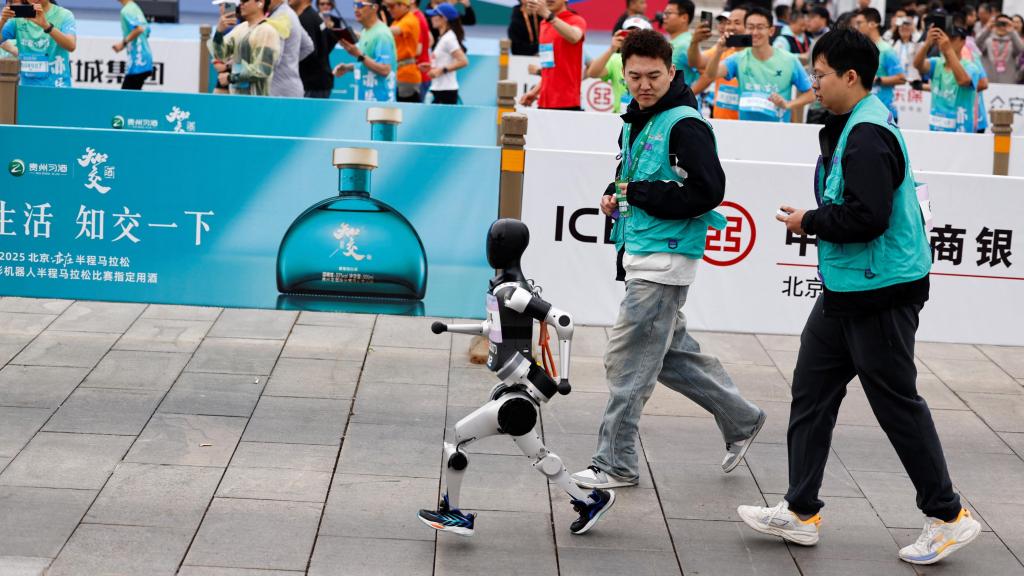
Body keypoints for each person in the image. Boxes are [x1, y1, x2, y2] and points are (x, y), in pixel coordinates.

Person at [742, 29, 982, 567]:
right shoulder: (850, 126)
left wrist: (810, 221)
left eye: (821, 73)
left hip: (881, 292)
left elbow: (868, 217)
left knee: (896, 403)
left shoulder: (868, 136)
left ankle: (948, 516)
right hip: (846, 287)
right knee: (811, 391)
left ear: (851, 77)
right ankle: (800, 509)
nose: (813, 82)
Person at [570, 29, 766, 491]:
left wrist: (636, 193)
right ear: (624, 73)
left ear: (672, 72)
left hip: (664, 260)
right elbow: (630, 174)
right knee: (668, 354)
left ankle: (615, 463)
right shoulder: (638, 117)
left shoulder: (684, 124)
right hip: (643, 250)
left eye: (653, 76)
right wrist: (613, 193)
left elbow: (708, 190)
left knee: (627, 361)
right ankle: (741, 418)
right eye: (635, 76)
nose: (643, 84)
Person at [706, 6, 815, 122]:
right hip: (745, 128)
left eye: (760, 27)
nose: (755, 32)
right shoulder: (738, 58)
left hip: (778, 128)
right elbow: (711, 74)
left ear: (771, 31)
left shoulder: (789, 60)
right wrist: (718, 51)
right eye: (750, 27)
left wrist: (788, 105)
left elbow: (811, 94)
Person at [914, 25, 986, 132]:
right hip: (935, 129)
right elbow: (918, 65)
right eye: (944, 37)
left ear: (963, 41)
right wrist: (927, 43)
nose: (946, 41)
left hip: (960, 130)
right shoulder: (936, 63)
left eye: (952, 38)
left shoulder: (971, 67)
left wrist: (948, 50)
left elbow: (963, 81)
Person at [518, 0, 586, 110]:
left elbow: (575, 37)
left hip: (567, 103)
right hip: (544, 102)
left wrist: (548, 15)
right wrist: (534, 92)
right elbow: (548, 67)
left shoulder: (576, 20)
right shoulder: (544, 24)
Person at [210, 0, 281, 96]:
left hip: (258, 99)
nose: (241, 4)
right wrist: (219, 32)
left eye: (245, 0)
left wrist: (230, 78)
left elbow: (262, 69)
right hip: (237, 97)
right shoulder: (240, 28)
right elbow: (220, 55)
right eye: (241, 1)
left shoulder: (266, 31)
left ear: (260, 3)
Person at [688, 5, 746, 119]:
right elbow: (696, 62)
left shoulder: (755, 54)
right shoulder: (721, 49)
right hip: (719, 120)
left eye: (737, 23)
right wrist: (695, 41)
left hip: (746, 123)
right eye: (728, 23)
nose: (730, 27)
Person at [0, 0, 76, 87]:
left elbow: (71, 45)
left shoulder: (64, 15)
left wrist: (46, 26)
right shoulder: (18, 18)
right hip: (27, 88)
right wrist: (3, 21)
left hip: (58, 87)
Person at [334, 0, 396, 102]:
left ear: (374, 7)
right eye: (354, 5)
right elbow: (369, 62)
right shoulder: (365, 31)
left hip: (381, 103)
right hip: (366, 102)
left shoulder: (382, 34)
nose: (356, 9)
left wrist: (359, 55)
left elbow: (385, 70)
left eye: (360, 5)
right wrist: (347, 67)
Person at [585, 17, 650, 114]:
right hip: (619, 117)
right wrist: (611, 49)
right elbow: (592, 73)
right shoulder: (616, 59)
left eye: (638, 35)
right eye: (628, 34)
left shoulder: (654, 61)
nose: (633, 39)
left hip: (647, 117)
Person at [857, 8, 904, 121]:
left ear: (872, 24)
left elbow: (901, 78)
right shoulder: (860, 49)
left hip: (884, 114)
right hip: (864, 112)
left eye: (859, 23)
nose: (856, 27)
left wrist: (876, 79)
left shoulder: (886, 50)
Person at [265, 0, 314, 97]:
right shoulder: (289, 13)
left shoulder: (280, 16)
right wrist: (289, 61)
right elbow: (308, 45)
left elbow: (274, 59)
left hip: (278, 91)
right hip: (291, 87)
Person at [422, 3, 466, 104]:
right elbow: (445, 60)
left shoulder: (449, 38)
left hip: (445, 91)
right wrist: (430, 67)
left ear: (444, 18)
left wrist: (440, 70)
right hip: (440, 89)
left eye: (435, 15)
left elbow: (463, 61)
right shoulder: (443, 38)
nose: (432, 18)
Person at [290, 0, 333, 97]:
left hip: (312, 86)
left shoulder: (306, 19)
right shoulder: (313, 16)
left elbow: (310, 52)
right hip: (319, 83)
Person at [384, 0, 421, 101]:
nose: (388, 9)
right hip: (398, 74)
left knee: (407, 109)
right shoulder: (397, 21)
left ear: (403, 5)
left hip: (406, 77)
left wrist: (374, 29)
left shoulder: (409, 20)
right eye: (387, 7)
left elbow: (392, 31)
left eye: (392, 6)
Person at [112, 0, 152, 90]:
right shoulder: (135, 8)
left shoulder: (126, 10)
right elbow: (147, 31)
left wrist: (123, 43)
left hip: (138, 62)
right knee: (132, 95)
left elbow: (139, 29)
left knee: (126, 96)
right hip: (145, 59)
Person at [976, 13, 1024, 85]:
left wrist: (1012, 31)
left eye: (1004, 24)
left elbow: (1021, 49)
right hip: (989, 83)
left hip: (1008, 84)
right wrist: (987, 29)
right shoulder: (987, 40)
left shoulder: (1013, 42)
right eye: (999, 24)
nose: (1001, 27)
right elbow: (977, 44)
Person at [664, 0, 699, 87]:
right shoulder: (673, 41)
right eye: (664, 13)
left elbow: (706, 74)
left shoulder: (686, 44)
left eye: (669, 13)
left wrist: (691, 93)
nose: (664, 17)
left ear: (684, 18)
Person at [893, 16, 922, 85]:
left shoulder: (915, 44)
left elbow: (921, 44)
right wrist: (894, 27)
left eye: (907, 28)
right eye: (902, 28)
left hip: (913, 81)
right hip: (896, 81)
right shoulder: (894, 44)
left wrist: (914, 29)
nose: (905, 30)